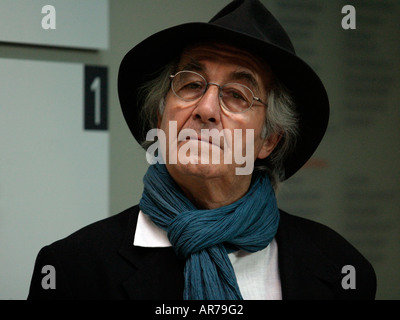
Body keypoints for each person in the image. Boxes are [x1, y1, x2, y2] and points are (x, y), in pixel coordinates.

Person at [28, 0, 376, 300]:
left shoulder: (339, 269)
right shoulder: (73, 270)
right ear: (161, 114)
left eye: (237, 95)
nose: (206, 108)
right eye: (191, 84)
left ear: (269, 141)